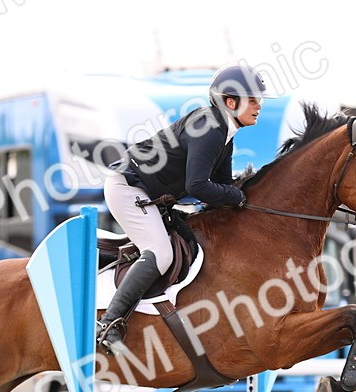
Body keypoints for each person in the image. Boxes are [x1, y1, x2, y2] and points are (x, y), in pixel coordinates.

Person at [97, 63, 277, 354]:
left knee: (191, 243)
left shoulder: (225, 134)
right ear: (231, 102)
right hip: (128, 188)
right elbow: (197, 186)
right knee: (162, 253)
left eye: (260, 100)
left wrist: (247, 198)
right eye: (253, 100)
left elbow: (220, 188)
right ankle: (109, 324)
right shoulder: (210, 128)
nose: (259, 106)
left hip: (148, 194)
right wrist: (238, 197)